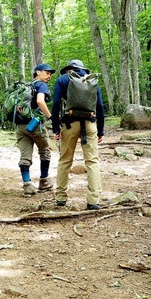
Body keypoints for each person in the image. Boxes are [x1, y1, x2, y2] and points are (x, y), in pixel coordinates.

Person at [51, 59, 105, 210]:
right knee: (92, 161)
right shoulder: (91, 79)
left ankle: (61, 198)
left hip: (69, 123)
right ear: (82, 69)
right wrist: (101, 130)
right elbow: (99, 106)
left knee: (65, 161)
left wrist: (55, 128)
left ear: (68, 69)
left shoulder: (62, 79)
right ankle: (93, 200)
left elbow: (55, 104)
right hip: (89, 123)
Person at [17, 63, 56, 196]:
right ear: (38, 72)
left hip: (21, 127)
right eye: (47, 72)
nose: (49, 76)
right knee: (44, 151)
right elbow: (40, 101)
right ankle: (44, 181)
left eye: (50, 74)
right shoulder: (41, 85)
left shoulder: (25, 87)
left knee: (25, 156)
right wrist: (50, 116)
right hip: (35, 125)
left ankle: (27, 185)